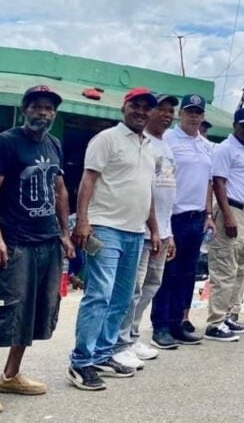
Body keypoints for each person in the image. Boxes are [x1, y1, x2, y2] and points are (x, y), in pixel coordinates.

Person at [0, 86, 74, 416]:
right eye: (37, 107)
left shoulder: (53, 143)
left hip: (47, 241)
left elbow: (59, 190)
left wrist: (65, 233)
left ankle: (11, 375)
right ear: (25, 109)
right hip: (14, 242)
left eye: (49, 108)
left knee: (34, 310)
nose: (44, 113)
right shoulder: (7, 142)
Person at [67, 88, 161, 391]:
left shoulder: (149, 147)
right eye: (136, 105)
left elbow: (147, 193)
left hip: (135, 232)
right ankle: (80, 362)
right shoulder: (106, 139)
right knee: (100, 294)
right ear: (125, 107)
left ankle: (103, 353)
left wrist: (154, 230)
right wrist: (82, 221)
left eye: (147, 108)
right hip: (105, 227)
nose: (141, 111)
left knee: (122, 298)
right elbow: (88, 181)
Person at [113, 94, 179, 369]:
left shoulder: (167, 146)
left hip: (163, 228)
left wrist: (168, 231)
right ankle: (120, 341)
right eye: (160, 109)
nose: (165, 115)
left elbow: (167, 193)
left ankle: (133, 335)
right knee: (133, 287)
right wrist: (153, 227)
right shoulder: (142, 144)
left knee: (152, 285)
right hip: (142, 228)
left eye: (169, 111)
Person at [151, 94, 214, 348]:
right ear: (180, 114)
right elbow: (161, 182)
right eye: (189, 111)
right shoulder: (168, 140)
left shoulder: (206, 145)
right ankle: (161, 326)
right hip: (173, 217)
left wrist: (209, 214)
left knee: (188, 273)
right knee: (167, 274)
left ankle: (178, 322)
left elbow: (209, 183)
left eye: (198, 112)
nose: (194, 116)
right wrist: (164, 224)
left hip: (196, 218)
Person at [205, 108, 244, 341]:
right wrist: (226, 215)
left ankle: (227, 316)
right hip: (231, 210)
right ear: (234, 125)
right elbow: (219, 182)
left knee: (239, 270)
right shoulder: (225, 148)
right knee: (225, 269)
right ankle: (214, 323)